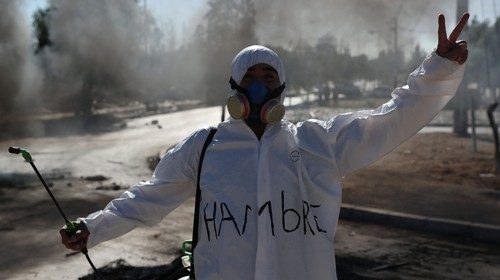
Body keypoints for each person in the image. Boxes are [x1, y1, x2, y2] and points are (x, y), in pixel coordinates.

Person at [61, 13, 470, 279]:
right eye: (251, 75)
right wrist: (92, 229)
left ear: (282, 87)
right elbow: (145, 199)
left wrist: (438, 68)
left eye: (269, 76)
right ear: (235, 88)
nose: (259, 84)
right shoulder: (203, 149)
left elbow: (392, 119)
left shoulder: (317, 142)